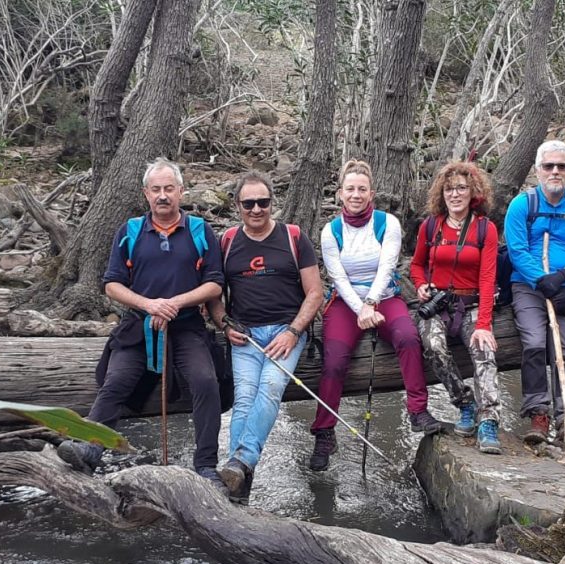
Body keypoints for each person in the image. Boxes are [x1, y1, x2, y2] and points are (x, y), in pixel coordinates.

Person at [57, 158, 226, 490]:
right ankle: (90, 448)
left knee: (206, 382)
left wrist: (176, 303)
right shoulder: (130, 231)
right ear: (146, 193)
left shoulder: (200, 231)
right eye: (156, 190)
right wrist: (149, 305)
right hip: (138, 327)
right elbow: (112, 285)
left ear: (181, 191)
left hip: (187, 326)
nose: (163, 196)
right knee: (116, 381)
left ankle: (206, 465)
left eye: (169, 189)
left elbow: (215, 284)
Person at [308, 159, 451, 471]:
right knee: (333, 361)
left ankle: (418, 410)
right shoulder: (331, 232)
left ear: (371, 193)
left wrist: (371, 302)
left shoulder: (388, 224)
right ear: (340, 194)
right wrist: (361, 310)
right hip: (347, 304)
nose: (356, 194)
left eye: (362, 189)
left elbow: (388, 266)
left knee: (409, 338)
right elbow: (337, 277)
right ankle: (324, 432)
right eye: (350, 189)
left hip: (383, 297)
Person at [206, 172, 323, 503]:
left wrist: (292, 332)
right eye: (248, 203)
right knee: (244, 398)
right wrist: (224, 325)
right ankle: (238, 480)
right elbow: (214, 295)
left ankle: (240, 463)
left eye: (263, 202)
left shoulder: (294, 238)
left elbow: (315, 293)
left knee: (270, 389)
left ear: (273, 202)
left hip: (286, 332)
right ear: (238, 205)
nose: (256, 209)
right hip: (245, 336)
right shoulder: (227, 242)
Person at [504, 140, 565, 446]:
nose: (555, 171)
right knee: (533, 343)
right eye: (549, 166)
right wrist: (543, 280)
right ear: (537, 170)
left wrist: (564, 275)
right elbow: (517, 250)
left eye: (562, 166)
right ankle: (538, 413)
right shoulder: (522, 205)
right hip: (528, 286)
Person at [411, 162, 504, 454]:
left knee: (483, 350)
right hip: (438, 303)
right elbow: (415, 265)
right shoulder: (431, 225)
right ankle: (464, 403)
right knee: (433, 345)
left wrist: (484, 324)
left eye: (461, 188)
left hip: (472, 302)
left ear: (473, 191)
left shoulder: (484, 229)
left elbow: (488, 277)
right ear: (442, 193)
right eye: (449, 189)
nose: (455, 194)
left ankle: (488, 420)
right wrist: (420, 285)